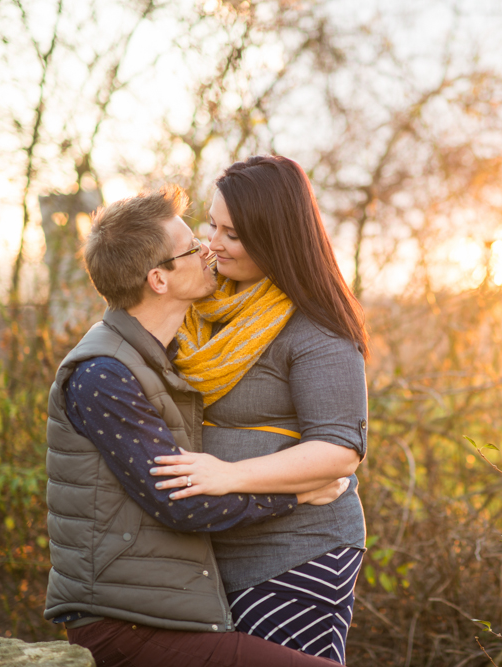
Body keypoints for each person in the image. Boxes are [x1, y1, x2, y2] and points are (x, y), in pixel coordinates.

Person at [43, 184, 343, 667]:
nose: (208, 250)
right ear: (158, 279)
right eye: (191, 248)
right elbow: (183, 505)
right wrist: (298, 493)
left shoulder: (160, 357)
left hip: (159, 608)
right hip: (125, 622)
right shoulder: (105, 375)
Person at [148, 156, 368, 664]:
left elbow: (339, 452)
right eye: (212, 225)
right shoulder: (202, 308)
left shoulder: (317, 328)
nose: (214, 244)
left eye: (235, 235)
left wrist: (228, 475)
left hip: (299, 551)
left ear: (276, 238)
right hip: (211, 554)